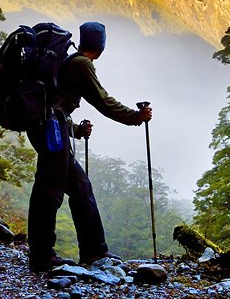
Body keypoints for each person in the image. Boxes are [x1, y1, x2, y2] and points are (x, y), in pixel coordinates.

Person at [27, 21, 153, 272]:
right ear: (101, 45)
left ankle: (94, 252)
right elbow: (102, 100)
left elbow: (54, 102)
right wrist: (135, 117)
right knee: (49, 190)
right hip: (52, 129)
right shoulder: (81, 64)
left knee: (80, 187)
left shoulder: (69, 60)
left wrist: (74, 130)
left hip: (51, 127)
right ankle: (42, 256)